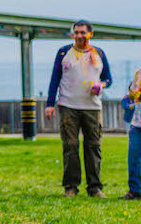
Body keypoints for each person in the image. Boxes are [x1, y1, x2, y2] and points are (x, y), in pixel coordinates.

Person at [44, 21, 112, 198]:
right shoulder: (63, 52)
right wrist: (50, 104)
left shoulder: (99, 53)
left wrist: (101, 85)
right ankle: (71, 187)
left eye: (82, 32)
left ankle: (95, 188)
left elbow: (108, 79)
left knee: (93, 146)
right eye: (76, 32)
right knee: (70, 146)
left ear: (91, 34)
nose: (79, 36)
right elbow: (55, 79)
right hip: (68, 106)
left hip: (92, 107)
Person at [120, 68, 141, 200]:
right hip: (137, 123)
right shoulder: (138, 73)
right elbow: (132, 94)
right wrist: (133, 95)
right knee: (133, 158)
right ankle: (135, 190)